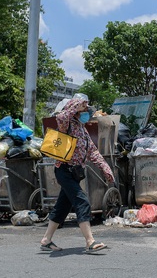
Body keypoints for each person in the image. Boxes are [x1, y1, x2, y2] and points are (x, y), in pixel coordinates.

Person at [40, 95, 115, 254]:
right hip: (64, 170)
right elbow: (61, 116)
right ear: (75, 111)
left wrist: (106, 169)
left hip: (74, 173)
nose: (86, 112)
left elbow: (93, 152)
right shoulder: (65, 123)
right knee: (82, 201)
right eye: (84, 109)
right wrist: (76, 105)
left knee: (62, 207)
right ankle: (90, 241)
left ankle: (46, 240)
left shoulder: (83, 129)